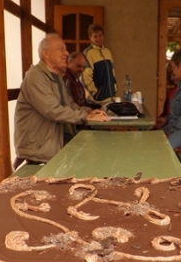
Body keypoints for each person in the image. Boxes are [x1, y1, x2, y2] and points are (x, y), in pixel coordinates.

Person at [13, 34, 109, 169]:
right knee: (92, 161)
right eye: (61, 49)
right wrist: (85, 116)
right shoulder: (35, 77)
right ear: (46, 53)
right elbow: (53, 110)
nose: (66, 53)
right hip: (39, 150)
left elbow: (69, 105)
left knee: (100, 152)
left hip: (56, 141)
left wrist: (90, 112)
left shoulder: (57, 77)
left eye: (65, 49)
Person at [83, 23, 117, 104]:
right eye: (95, 36)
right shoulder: (88, 53)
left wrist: (114, 88)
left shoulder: (107, 52)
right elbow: (86, 77)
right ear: (90, 38)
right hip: (97, 100)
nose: (98, 38)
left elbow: (112, 72)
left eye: (100, 35)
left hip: (110, 98)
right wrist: (95, 92)